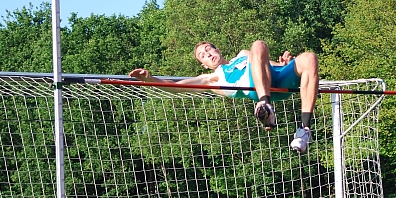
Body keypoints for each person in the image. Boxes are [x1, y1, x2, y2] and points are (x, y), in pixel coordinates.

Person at [129, 40, 318, 154]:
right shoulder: (211, 78)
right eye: (202, 55)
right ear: (203, 64)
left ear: (217, 50)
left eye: (208, 49)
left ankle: (303, 130)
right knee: (258, 45)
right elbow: (177, 88)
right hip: (257, 90)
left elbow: (270, 64)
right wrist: (149, 79)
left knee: (308, 58)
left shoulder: (244, 55)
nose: (208, 54)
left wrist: (284, 63)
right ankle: (265, 106)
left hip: (276, 78)